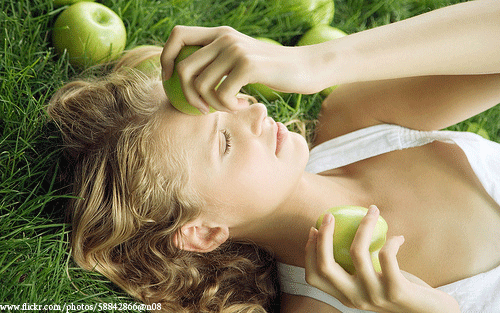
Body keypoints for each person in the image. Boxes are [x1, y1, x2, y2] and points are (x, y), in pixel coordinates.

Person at [47, 0, 500, 312]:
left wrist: (317, 63)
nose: (257, 111)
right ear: (203, 232)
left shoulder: (358, 120)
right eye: (222, 142)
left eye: (233, 102)